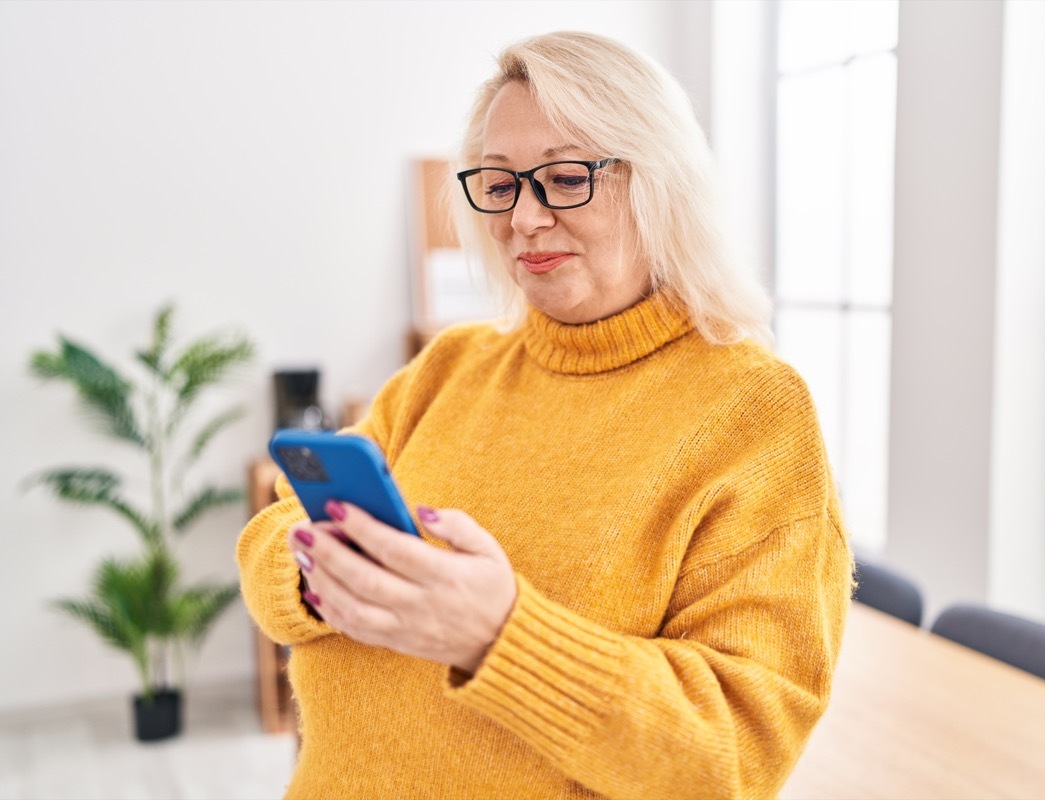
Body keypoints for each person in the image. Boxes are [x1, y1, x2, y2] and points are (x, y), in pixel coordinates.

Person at [238, 30, 852, 800]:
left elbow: (732, 754)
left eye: (563, 178)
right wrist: (321, 574)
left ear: (660, 184)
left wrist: (498, 634)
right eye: (498, 185)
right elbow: (267, 541)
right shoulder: (448, 369)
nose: (523, 219)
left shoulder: (754, 415)